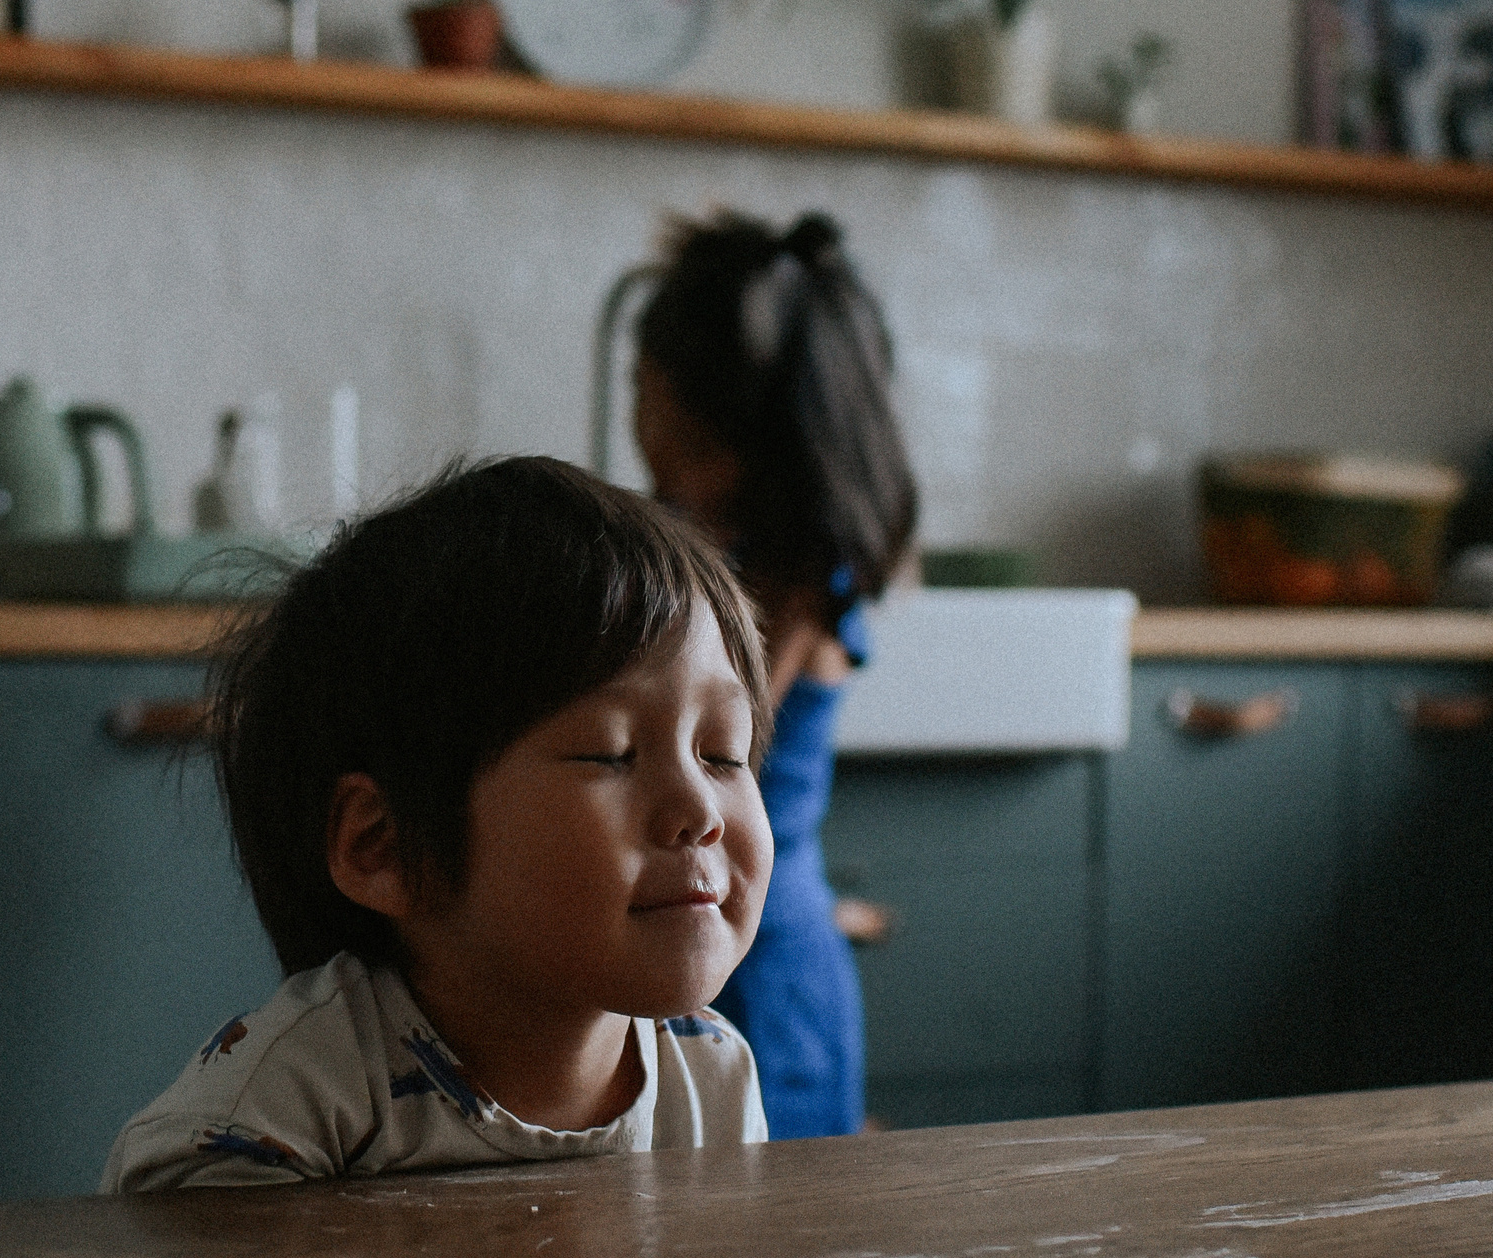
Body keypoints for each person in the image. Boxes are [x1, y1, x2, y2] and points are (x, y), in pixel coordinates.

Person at [103, 457, 775, 1191]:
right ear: (385, 846)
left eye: (722, 754)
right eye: (609, 753)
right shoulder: (283, 1116)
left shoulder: (711, 1073)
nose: (699, 812)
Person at [633, 210, 917, 1139]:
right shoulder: (749, 559)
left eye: (642, 382)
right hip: (707, 937)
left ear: (680, 402)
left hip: (761, 969)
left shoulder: (796, 581)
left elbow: (696, 730)